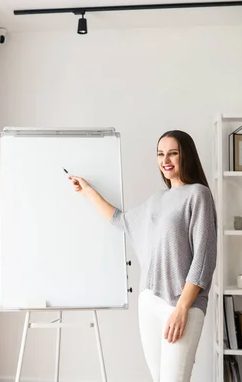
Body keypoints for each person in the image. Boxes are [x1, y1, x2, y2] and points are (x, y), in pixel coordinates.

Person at [68, 130, 217, 382]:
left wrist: (181, 308)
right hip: (149, 303)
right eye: (160, 154)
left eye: (173, 153)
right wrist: (87, 191)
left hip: (182, 305)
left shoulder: (198, 195)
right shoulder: (158, 198)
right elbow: (122, 220)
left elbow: (203, 259)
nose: (165, 160)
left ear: (186, 156)